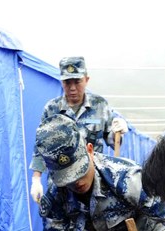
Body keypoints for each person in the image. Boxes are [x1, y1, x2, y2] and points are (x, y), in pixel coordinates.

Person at [35, 115, 165, 231]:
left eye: (80, 171)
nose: (76, 181)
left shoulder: (126, 178)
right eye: (67, 178)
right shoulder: (56, 196)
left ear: (90, 150)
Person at [29, 56, 128, 204]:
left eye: (77, 81)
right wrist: (36, 179)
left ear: (86, 80)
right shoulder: (52, 109)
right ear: (61, 82)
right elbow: (41, 147)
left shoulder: (100, 105)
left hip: (92, 183)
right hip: (61, 183)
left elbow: (113, 142)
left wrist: (117, 132)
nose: (72, 88)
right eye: (67, 82)